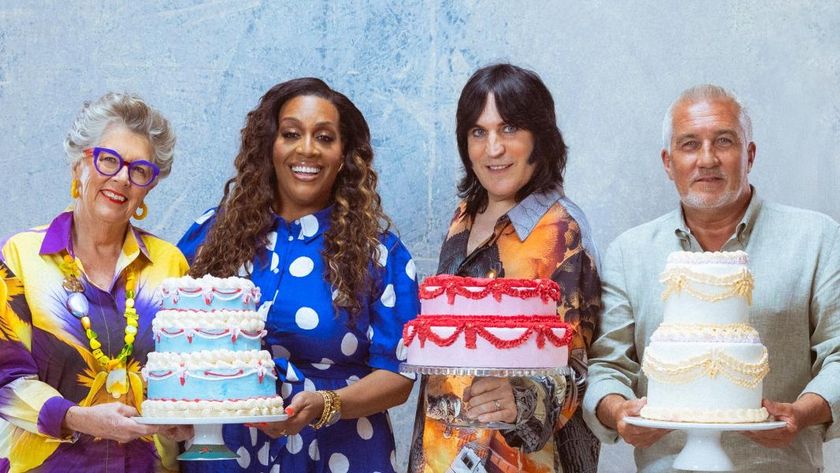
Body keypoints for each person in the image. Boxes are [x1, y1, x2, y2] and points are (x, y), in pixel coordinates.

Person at [582, 84, 840, 472]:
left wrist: (802, 412)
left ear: (749, 155)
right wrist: (618, 410)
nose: (707, 159)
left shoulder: (816, 239)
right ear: (668, 162)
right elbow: (607, 367)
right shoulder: (629, 252)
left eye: (724, 141)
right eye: (689, 144)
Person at [177, 77, 419, 472]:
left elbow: (399, 374)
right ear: (269, 146)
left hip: (338, 452)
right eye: (291, 134)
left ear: (344, 155)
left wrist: (329, 404)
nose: (307, 149)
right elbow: (169, 335)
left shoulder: (379, 253)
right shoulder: (212, 234)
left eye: (325, 137)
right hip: (225, 454)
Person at [408, 63, 601, 472]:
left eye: (509, 129)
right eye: (478, 132)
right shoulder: (462, 217)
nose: (493, 148)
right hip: (443, 453)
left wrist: (524, 398)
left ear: (540, 138)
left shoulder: (561, 231)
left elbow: (582, 371)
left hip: (523, 462)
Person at [0, 93, 192, 472]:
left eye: (139, 170)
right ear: (79, 165)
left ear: (147, 188)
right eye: (108, 160)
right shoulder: (20, 257)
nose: (122, 177)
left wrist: (186, 422)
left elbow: (186, 380)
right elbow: (5, 381)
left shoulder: (170, 266)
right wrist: (78, 418)